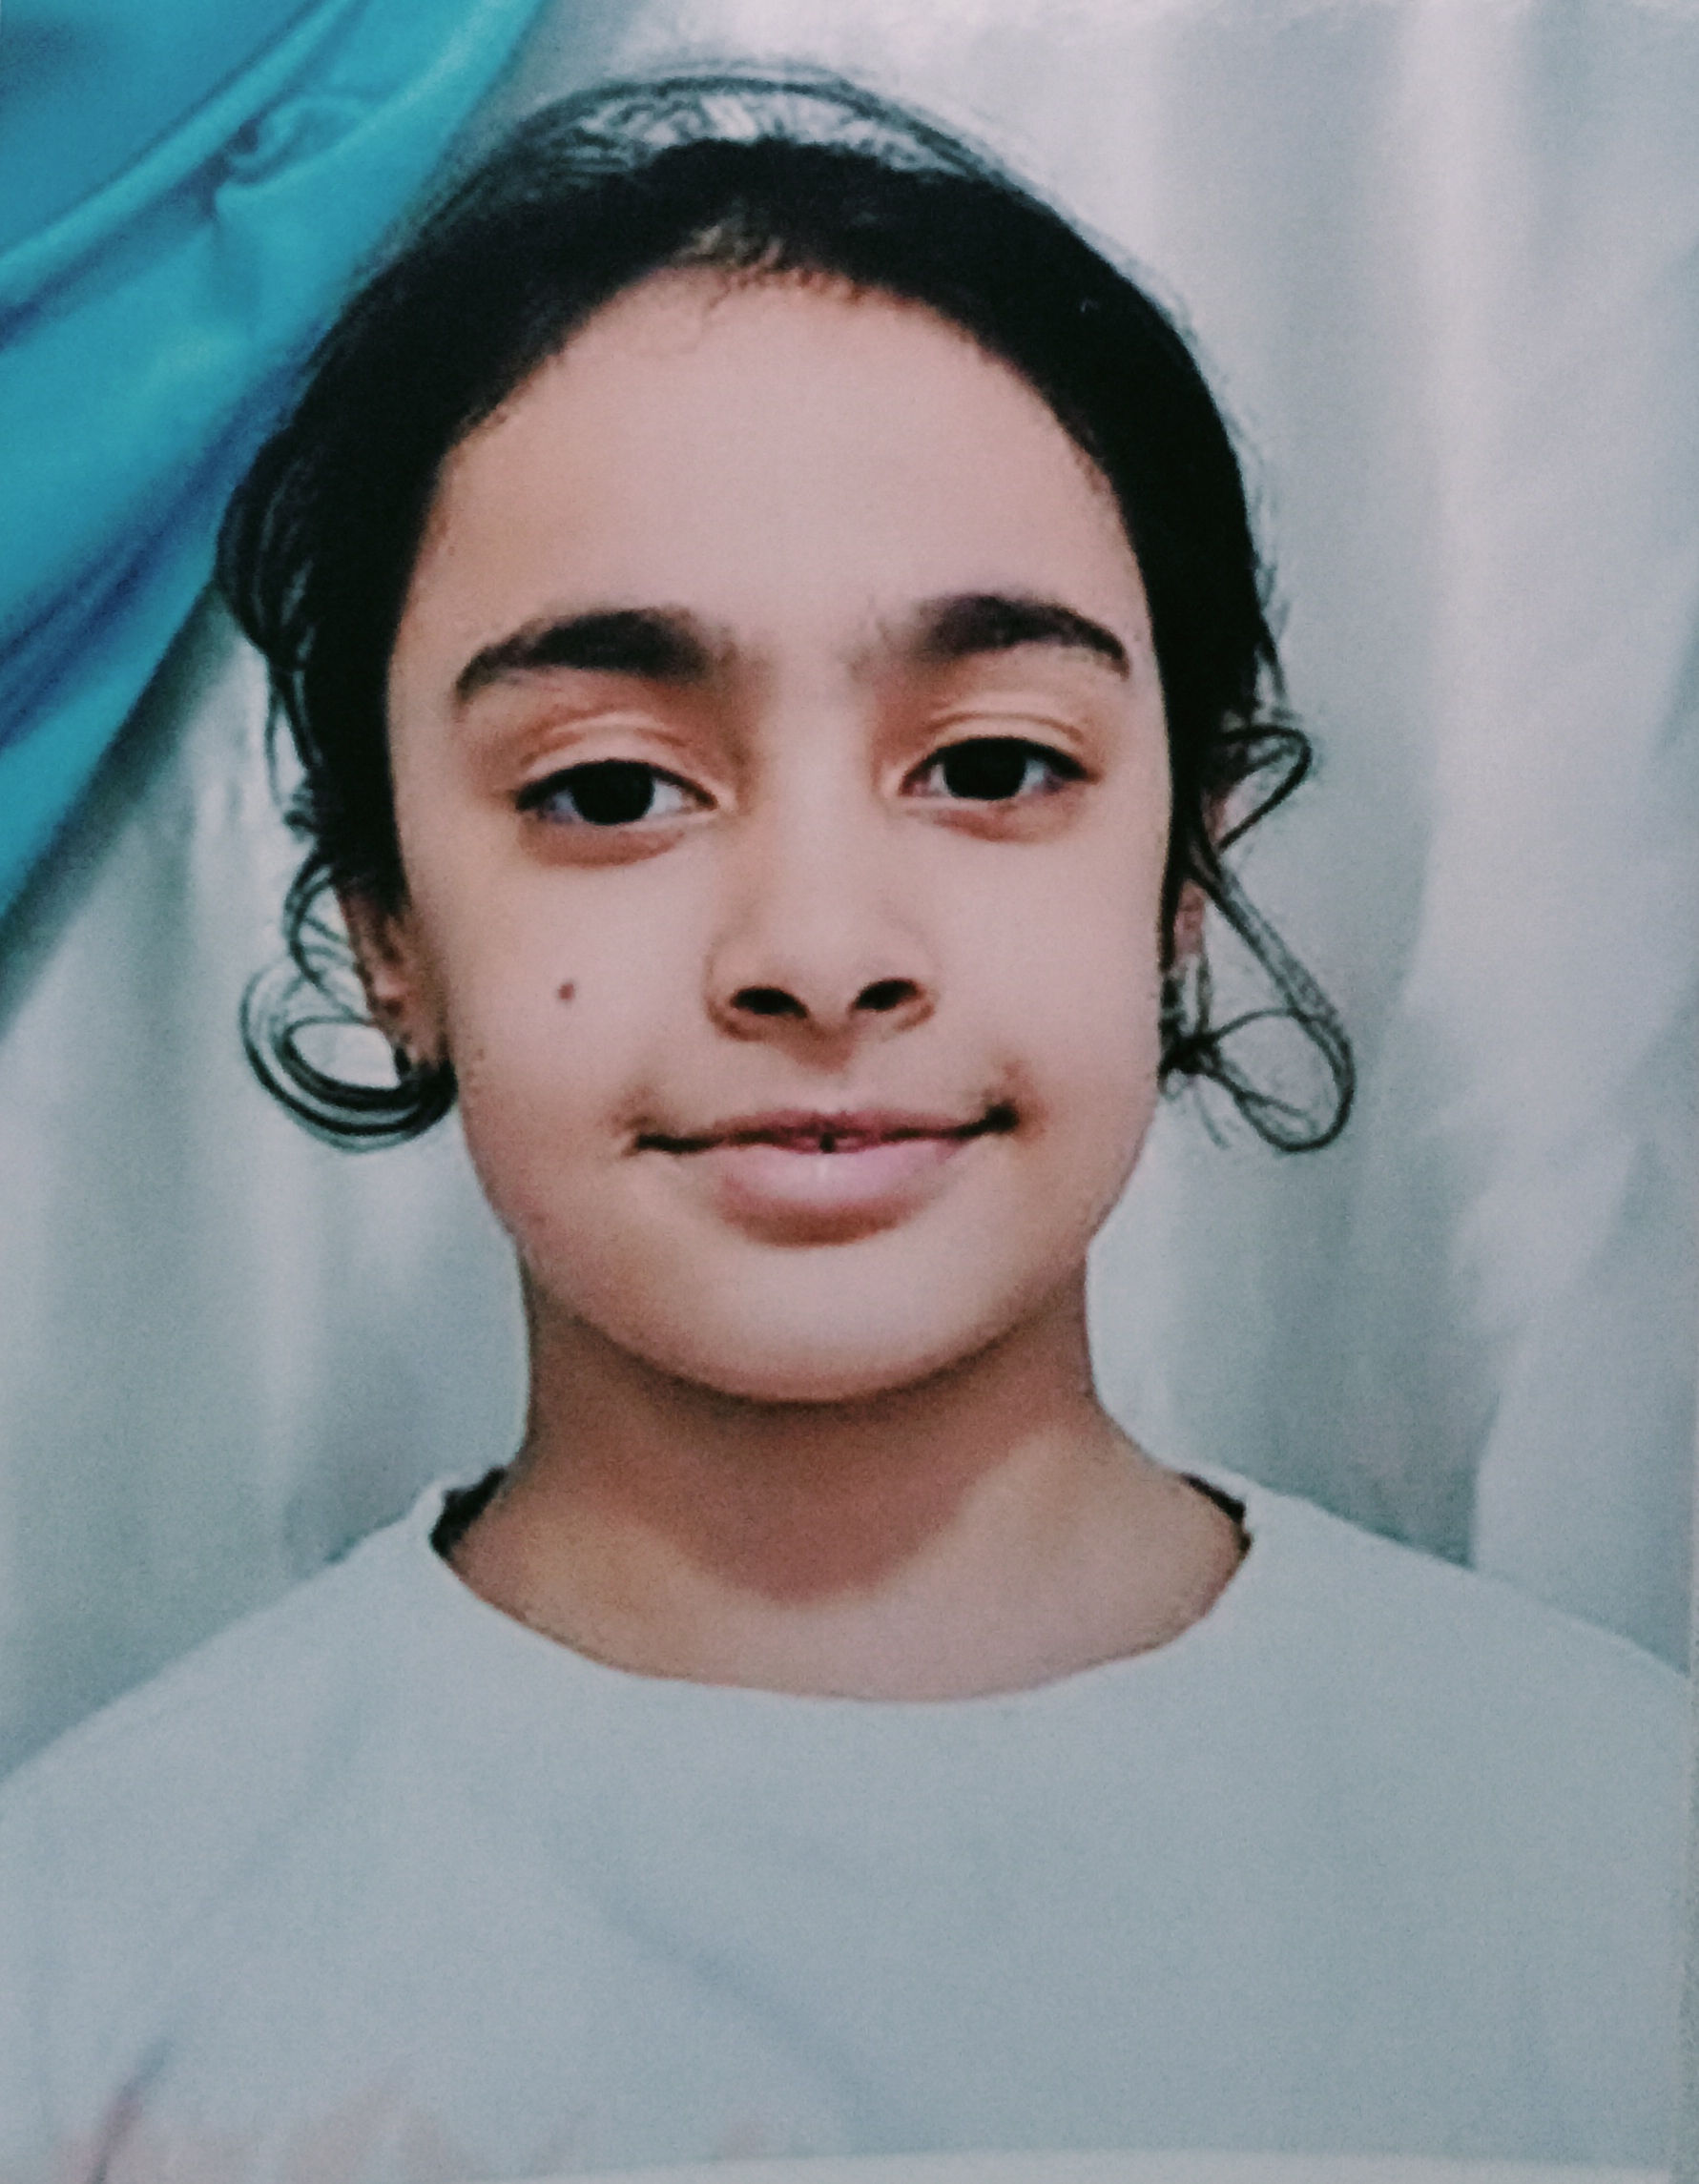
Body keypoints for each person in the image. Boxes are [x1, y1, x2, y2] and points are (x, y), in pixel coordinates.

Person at [0, 69, 1682, 2183]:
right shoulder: (79, 1966)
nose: (817, 953)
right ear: (386, 927)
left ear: (1186, 872)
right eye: (611, 788)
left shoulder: (1626, 1875)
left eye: (988, 766)